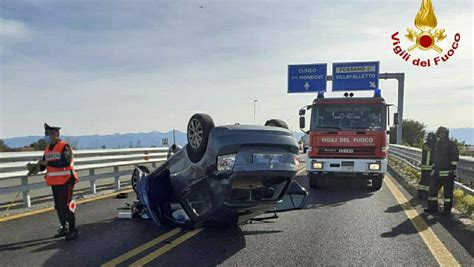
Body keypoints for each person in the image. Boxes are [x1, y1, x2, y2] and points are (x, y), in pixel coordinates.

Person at [36, 123, 79, 240]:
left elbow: (65, 162)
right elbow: (45, 164)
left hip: (66, 180)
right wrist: (38, 166)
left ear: (57, 134)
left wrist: (48, 163)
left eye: (52, 133)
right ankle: (64, 228)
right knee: (59, 206)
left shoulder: (64, 146)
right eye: (48, 134)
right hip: (55, 182)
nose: (50, 136)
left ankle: (72, 229)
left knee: (67, 205)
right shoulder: (48, 148)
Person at [425, 126, 459, 216]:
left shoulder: (451, 144)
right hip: (437, 173)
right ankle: (432, 208)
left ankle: (447, 211)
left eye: (443, 133)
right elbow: (435, 159)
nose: (441, 134)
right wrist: (433, 169)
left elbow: (455, 158)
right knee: (432, 191)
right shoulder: (437, 144)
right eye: (440, 133)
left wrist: (451, 170)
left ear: (446, 134)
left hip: (448, 174)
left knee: (447, 194)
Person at [417, 132, 436, 199]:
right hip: (430, 167)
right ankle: (426, 195)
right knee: (428, 181)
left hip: (424, 166)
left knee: (423, 180)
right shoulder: (434, 146)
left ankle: (420, 194)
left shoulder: (425, 145)